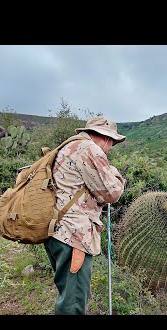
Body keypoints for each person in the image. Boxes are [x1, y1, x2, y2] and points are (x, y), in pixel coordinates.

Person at [44, 116, 126, 315]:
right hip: (74, 236)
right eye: (112, 143)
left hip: (57, 232)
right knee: (72, 304)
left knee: (68, 294)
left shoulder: (68, 147)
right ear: (106, 137)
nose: (111, 147)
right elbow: (112, 193)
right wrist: (115, 173)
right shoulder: (90, 149)